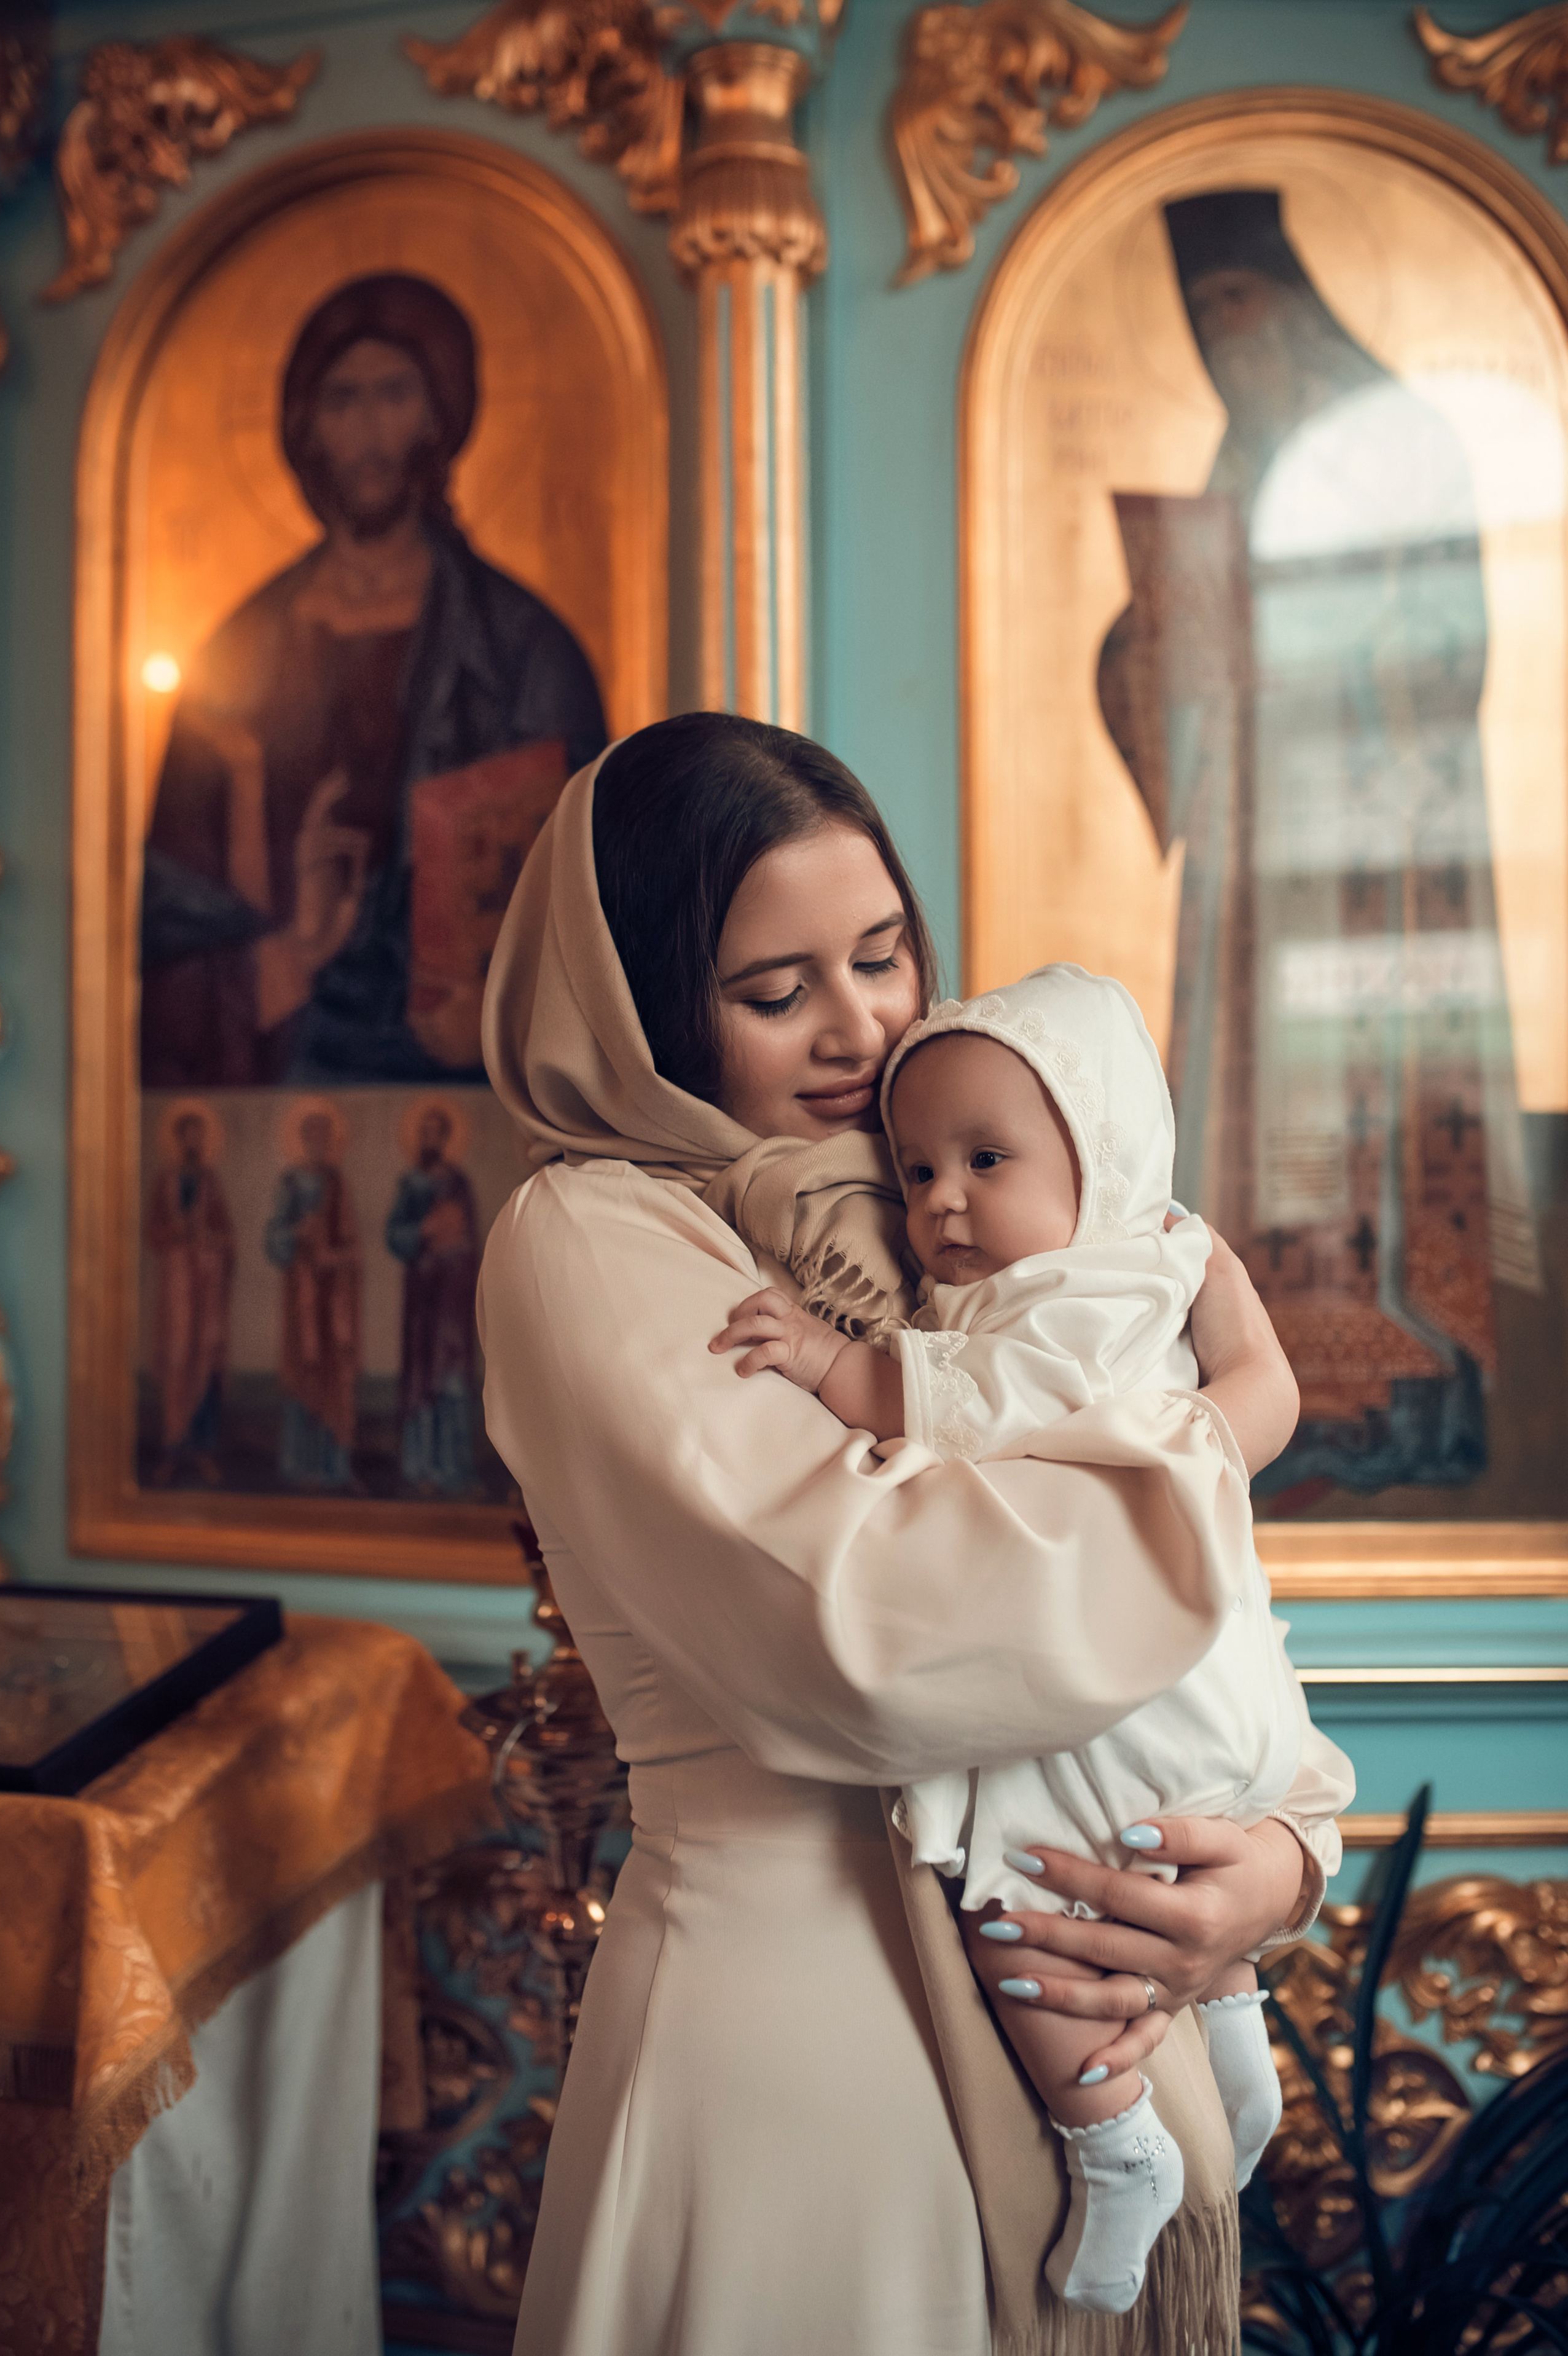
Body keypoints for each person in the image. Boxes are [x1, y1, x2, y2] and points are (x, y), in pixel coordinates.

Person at [477, 713, 1340, 2356]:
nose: (863, 1026)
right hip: (807, 2057)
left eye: (883, 955)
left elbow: (1213, 1628)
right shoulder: (595, 1232)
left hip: (1075, 1967)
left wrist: (1281, 1857)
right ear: (653, 1008)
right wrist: (1219, 1431)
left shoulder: (951, 1196)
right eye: (775, 988)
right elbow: (882, 1632)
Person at [711, 963, 1354, 2314]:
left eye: (984, 1161)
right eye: (917, 1169)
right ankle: (1234, 2057)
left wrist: (829, 1363)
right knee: (1181, 1913)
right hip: (1221, 1696)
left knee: (1016, 1901)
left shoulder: (1069, 1303)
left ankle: (1109, 2136)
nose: (940, 1202)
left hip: (1125, 1697)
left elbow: (963, 1394)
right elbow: (1245, 1403)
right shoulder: (1168, 1262)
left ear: (1096, 1156)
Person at [1096, 187, 1539, 1502]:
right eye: (1209, 326)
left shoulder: (1401, 445)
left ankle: (1408, 1393)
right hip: (1253, 874)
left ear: (1294, 304)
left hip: (1376, 862)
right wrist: (1153, 639)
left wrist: (1295, 654)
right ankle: (1274, 1389)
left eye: (1245, 311)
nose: (1235, 346)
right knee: (1252, 1125)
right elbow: (1177, 662)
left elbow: (1438, 641)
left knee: (1375, 1128)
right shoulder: (1240, 458)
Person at [141, 271, 607, 1089]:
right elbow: (174, 911)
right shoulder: (239, 652)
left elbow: (593, 884)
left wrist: (500, 996)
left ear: (438, 415)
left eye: (393, 395)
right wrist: (286, 952)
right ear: (306, 427)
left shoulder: (522, 648)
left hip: (471, 1069)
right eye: (341, 399)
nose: (366, 432)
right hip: (285, 1060)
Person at [264, 1100, 362, 1490]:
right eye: (312, 1135)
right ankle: (299, 1464)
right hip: (302, 1297)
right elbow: (272, 1240)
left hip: (333, 1298)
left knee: (334, 1373)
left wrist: (333, 1257)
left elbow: (352, 1247)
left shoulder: (339, 1185)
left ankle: (333, 1466)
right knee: (304, 1368)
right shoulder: (289, 1184)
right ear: (303, 1140)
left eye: (326, 1135)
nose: (319, 1142)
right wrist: (296, 1235)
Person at [386, 1098, 481, 1495]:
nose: (430, 1139)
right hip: (424, 1299)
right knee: (423, 1377)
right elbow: (394, 1236)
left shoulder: (459, 1183)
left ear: (446, 1138)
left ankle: (454, 1470)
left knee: (453, 1378)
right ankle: (421, 1467)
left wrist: (457, 1247)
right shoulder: (410, 1184)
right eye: (423, 1132)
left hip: (453, 1298)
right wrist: (422, 1231)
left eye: (436, 1132)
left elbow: (471, 1238)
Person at [143, 1102, 236, 1486]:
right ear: (178, 1140)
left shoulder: (211, 1183)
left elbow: (227, 1236)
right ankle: (172, 1448)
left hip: (208, 1286)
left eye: (200, 1135)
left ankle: (202, 1451)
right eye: (189, 1135)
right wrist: (178, 1234)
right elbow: (152, 1232)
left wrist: (210, 1240)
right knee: (177, 1360)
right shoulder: (165, 1182)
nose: (195, 1142)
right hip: (177, 1285)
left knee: (205, 1359)